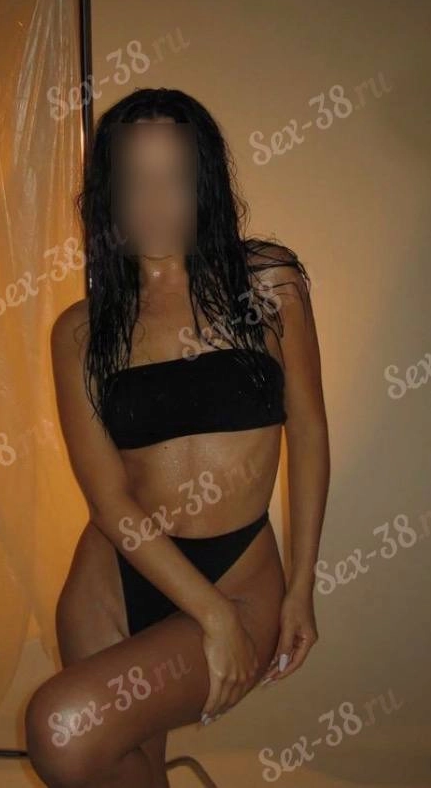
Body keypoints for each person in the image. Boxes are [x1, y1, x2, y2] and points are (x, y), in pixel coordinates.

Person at [25, 87, 330, 788]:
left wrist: (301, 585)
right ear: (108, 194)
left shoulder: (267, 282)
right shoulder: (81, 332)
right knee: (122, 766)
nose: (155, 201)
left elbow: (309, 429)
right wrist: (206, 616)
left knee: (62, 729)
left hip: (238, 573)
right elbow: (108, 499)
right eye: (136, 180)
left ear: (206, 183)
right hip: (116, 573)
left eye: (175, 177)